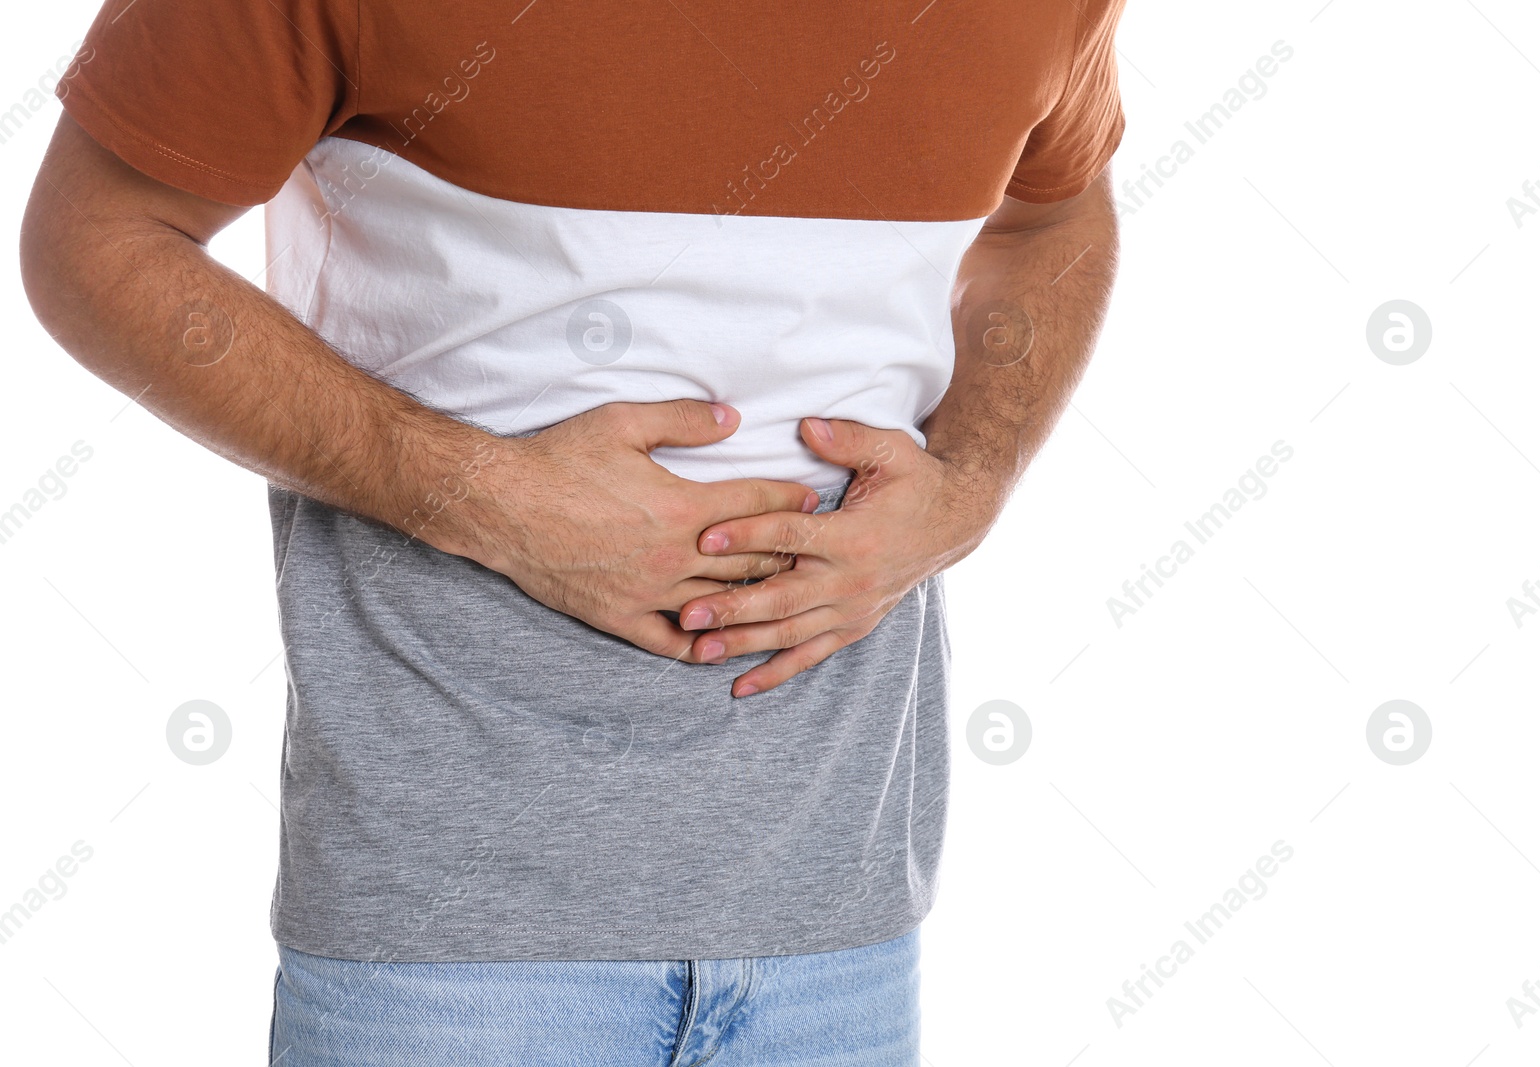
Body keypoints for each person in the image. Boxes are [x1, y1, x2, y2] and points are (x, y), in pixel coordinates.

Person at [20, 1, 1126, 1062]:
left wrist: (971, 481)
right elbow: (95, 236)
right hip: (448, 960)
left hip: (845, 935)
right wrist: (486, 496)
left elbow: (1053, 214)